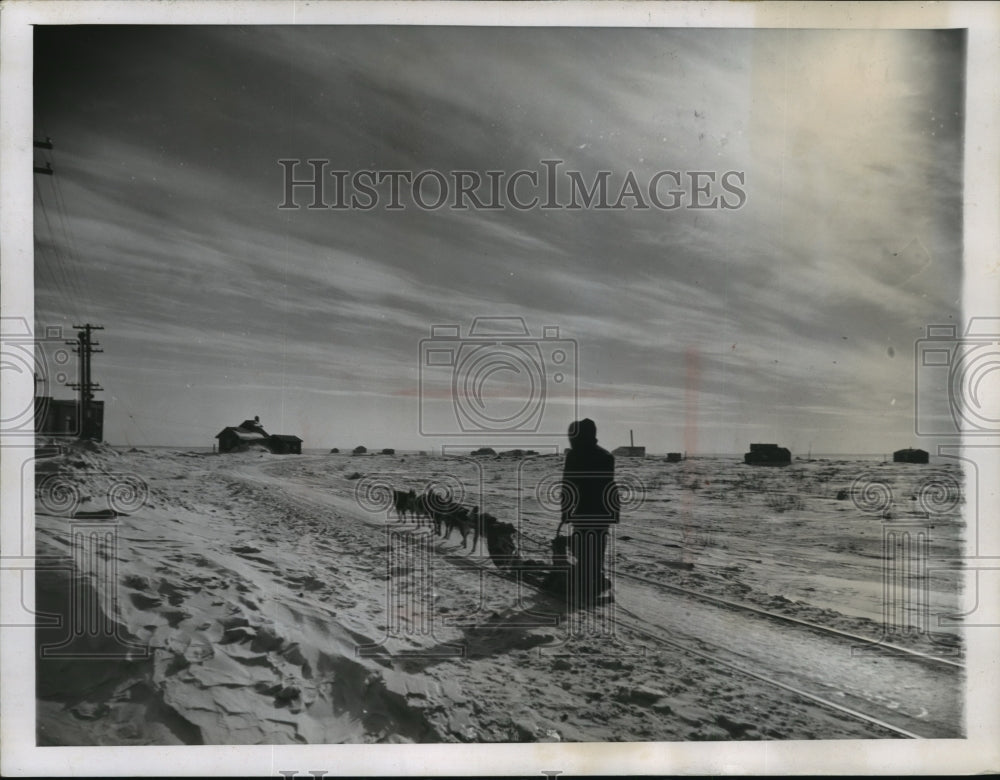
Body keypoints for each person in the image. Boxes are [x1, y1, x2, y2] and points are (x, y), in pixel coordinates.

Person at [560, 418, 619, 606]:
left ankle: (584, 583)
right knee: (598, 543)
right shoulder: (606, 456)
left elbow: (569, 485)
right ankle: (594, 577)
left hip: (584, 508)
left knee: (583, 543)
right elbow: (609, 486)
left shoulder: (575, 455)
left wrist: (566, 510)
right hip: (603, 508)